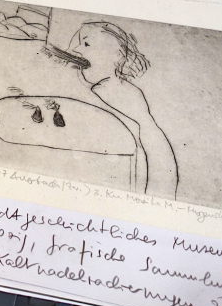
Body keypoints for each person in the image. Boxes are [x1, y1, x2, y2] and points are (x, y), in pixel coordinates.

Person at [66, 21, 178, 199]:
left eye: (86, 44)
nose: (76, 50)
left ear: (116, 55)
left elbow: (157, 151)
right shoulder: (94, 91)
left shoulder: (128, 95)